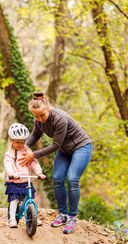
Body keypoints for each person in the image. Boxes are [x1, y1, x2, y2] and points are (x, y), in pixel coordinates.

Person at [19, 92, 92, 234]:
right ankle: (63, 214)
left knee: (72, 179)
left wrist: (33, 154)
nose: (39, 119)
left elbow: (54, 146)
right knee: (58, 179)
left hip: (81, 147)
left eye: (42, 115)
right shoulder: (38, 121)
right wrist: (24, 147)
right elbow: (35, 135)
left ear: (48, 109)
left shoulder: (60, 119)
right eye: (36, 116)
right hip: (65, 150)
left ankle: (72, 216)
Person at [4, 123, 46, 228]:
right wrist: (12, 174)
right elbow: (8, 165)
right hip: (14, 182)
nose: (20, 144)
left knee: (30, 198)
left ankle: (34, 217)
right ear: (11, 140)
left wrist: (39, 173)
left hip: (25, 180)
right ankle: (12, 219)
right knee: (14, 200)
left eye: (23, 142)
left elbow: (34, 162)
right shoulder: (9, 154)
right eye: (17, 142)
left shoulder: (27, 151)